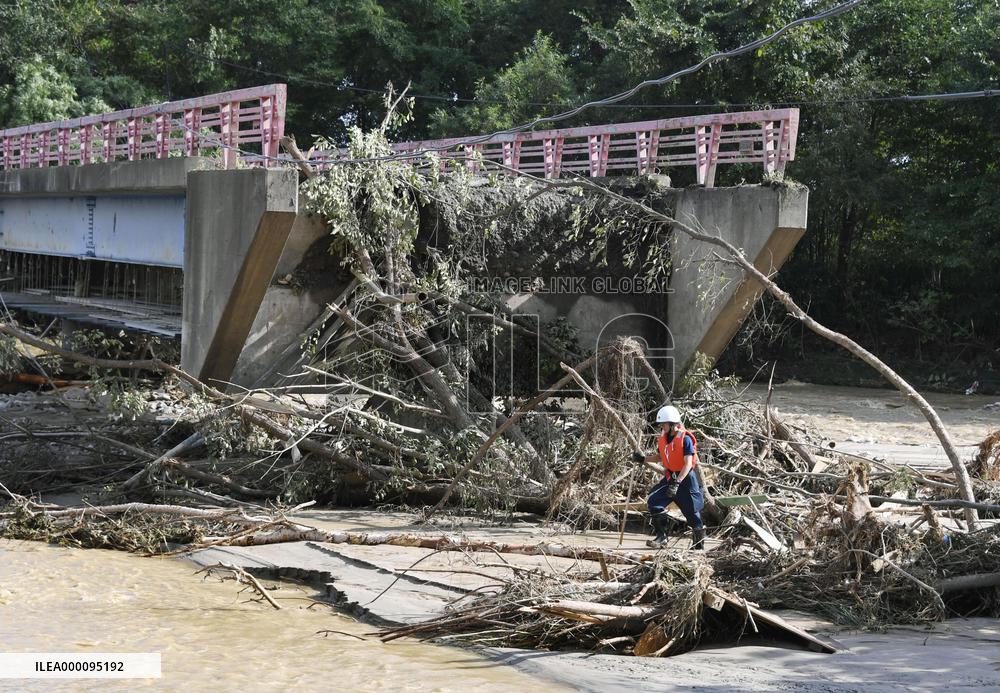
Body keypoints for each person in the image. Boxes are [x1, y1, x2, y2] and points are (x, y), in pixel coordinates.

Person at [632, 405, 706, 550]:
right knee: (654, 502)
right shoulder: (663, 438)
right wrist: (643, 459)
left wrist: (677, 483)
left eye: (664, 424)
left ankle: (698, 546)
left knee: (692, 513)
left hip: (685, 480)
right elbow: (660, 457)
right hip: (670, 478)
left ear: (672, 424)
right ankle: (662, 538)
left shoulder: (685, 439)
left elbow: (688, 464)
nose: (662, 426)